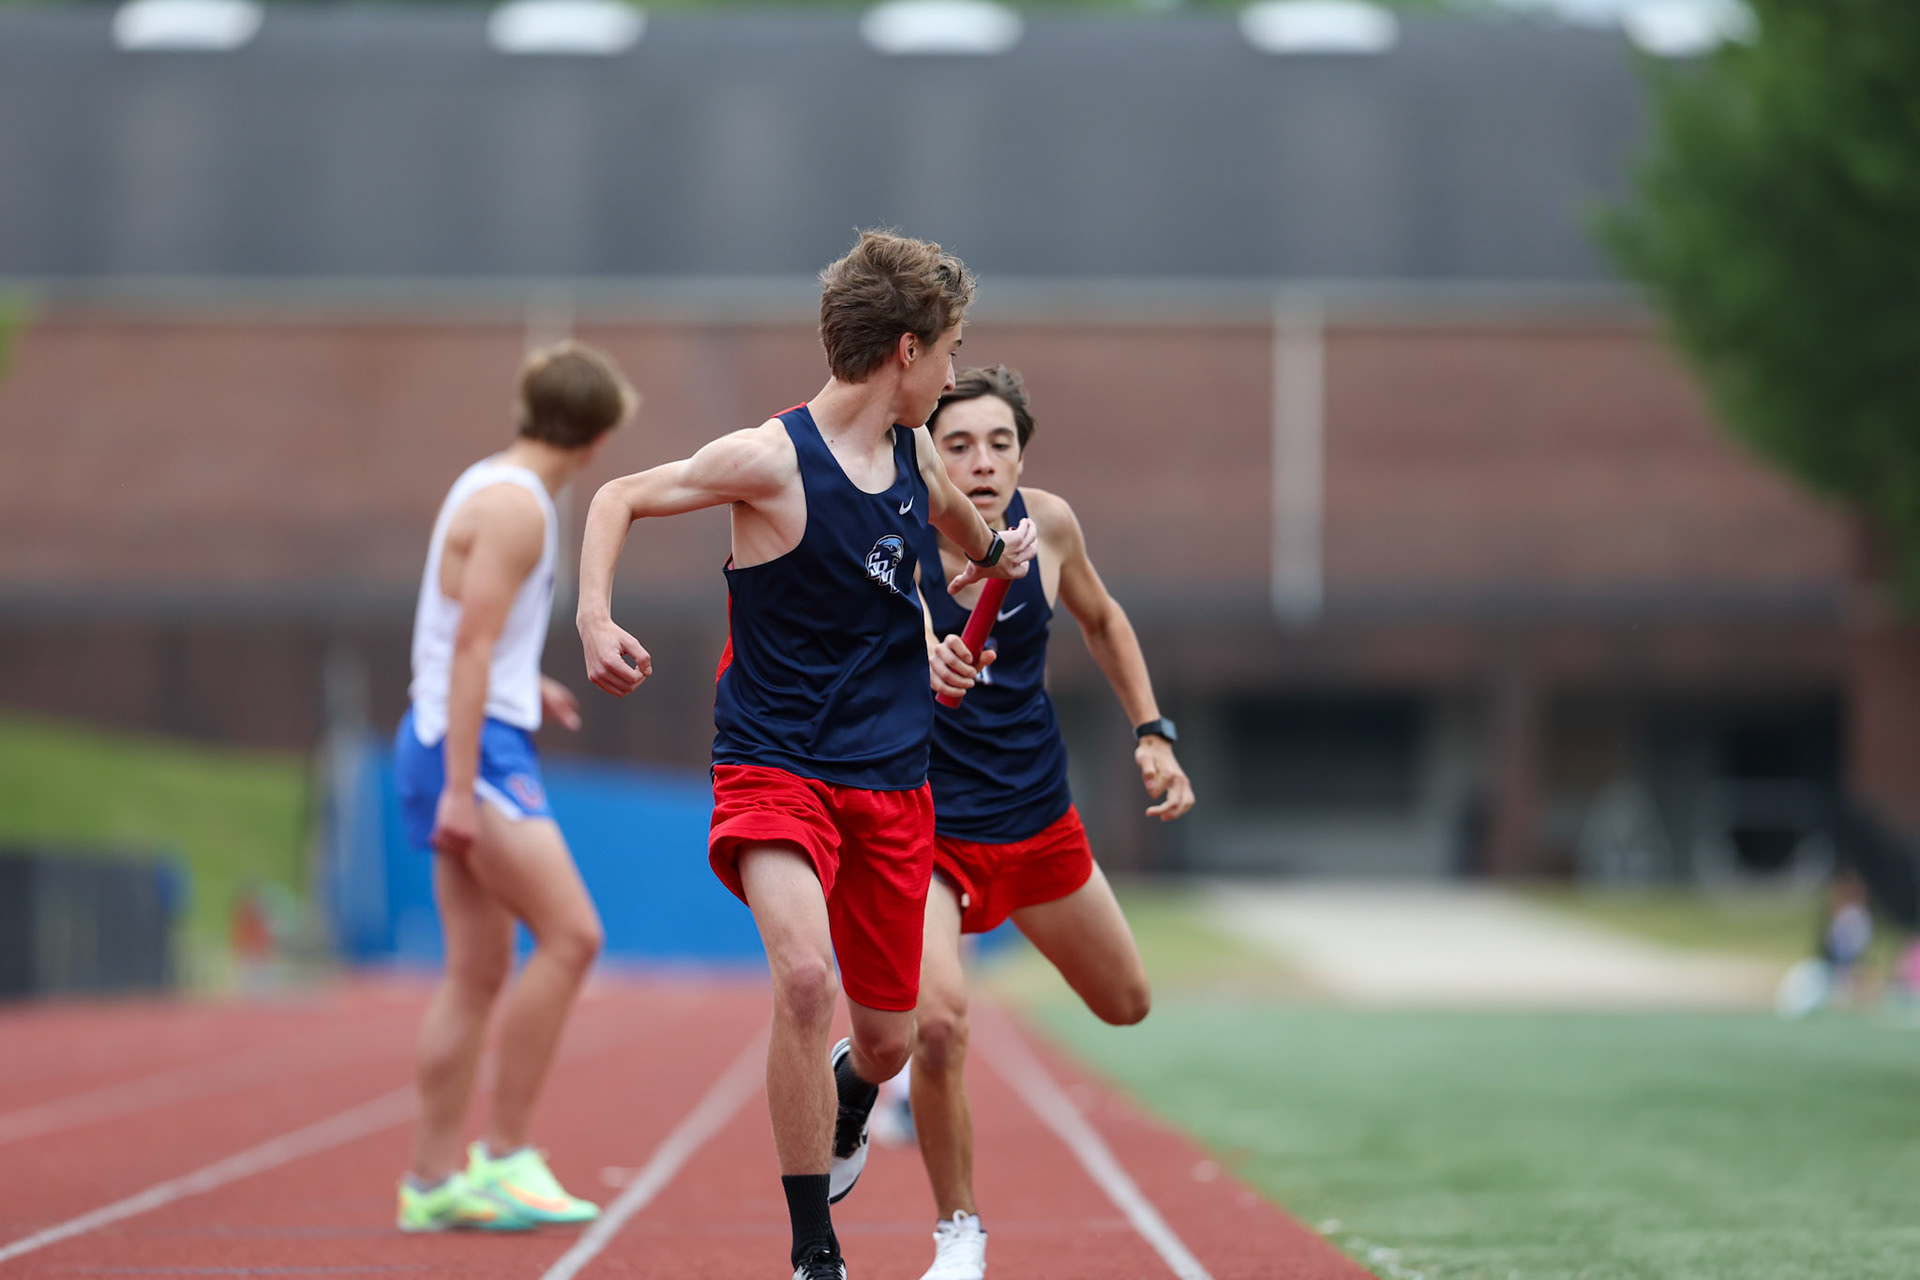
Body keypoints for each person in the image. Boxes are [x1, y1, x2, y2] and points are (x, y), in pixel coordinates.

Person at [574, 231, 1037, 1280]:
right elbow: (618, 498)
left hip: (890, 778)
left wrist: (981, 576)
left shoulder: (917, 454)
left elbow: (958, 543)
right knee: (800, 974)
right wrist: (596, 618)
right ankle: (812, 1252)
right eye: (953, 351)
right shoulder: (770, 459)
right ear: (907, 351)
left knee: (888, 1040)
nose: (958, 376)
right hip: (775, 764)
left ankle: (852, 1098)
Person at [909, 366, 1195, 1280]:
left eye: (999, 444)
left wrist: (1152, 732)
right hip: (927, 829)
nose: (982, 462)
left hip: (1035, 817)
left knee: (1127, 1003)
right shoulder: (897, 536)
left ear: (1021, 454)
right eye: (958, 445)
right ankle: (960, 1233)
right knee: (940, 1027)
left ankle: (865, 1051)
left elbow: (1104, 621)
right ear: (927, 457)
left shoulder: (1053, 525)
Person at [392, 342, 637, 1233]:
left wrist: (523, 682)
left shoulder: (485, 483)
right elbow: (464, 647)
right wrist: (460, 786)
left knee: (477, 970)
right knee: (572, 937)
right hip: (472, 754)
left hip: (461, 733)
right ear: (599, 438)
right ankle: (503, 1156)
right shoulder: (520, 511)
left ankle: (430, 1181)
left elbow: (462, 630)